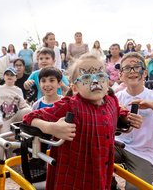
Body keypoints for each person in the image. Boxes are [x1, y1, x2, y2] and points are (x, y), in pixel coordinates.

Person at [23, 53, 142, 189]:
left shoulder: (111, 101)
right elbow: (29, 118)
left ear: (107, 81)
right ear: (75, 88)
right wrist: (52, 128)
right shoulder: (70, 105)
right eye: (86, 77)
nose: (95, 81)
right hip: (74, 179)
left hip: (102, 175)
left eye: (100, 75)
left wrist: (128, 119)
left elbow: (119, 112)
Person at [114, 52, 153, 190]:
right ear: (120, 74)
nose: (132, 71)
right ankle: (112, 184)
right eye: (127, 68)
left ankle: (146, 178)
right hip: (118, 146)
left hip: (143, 152)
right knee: (92, 155)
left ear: (145, 73)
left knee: (135, 189)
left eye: (137, 67)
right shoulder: (115, 98)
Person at [0, 67, 31, 135]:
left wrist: (31, 109)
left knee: (28, 111)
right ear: (4, 77)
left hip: (14, 115)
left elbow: (22, 105)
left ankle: (25, 131)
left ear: (15, 78)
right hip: (3, 117)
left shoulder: (18, 90)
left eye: (12, 75)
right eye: (7, 75)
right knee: (3, 137)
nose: (9, 76)